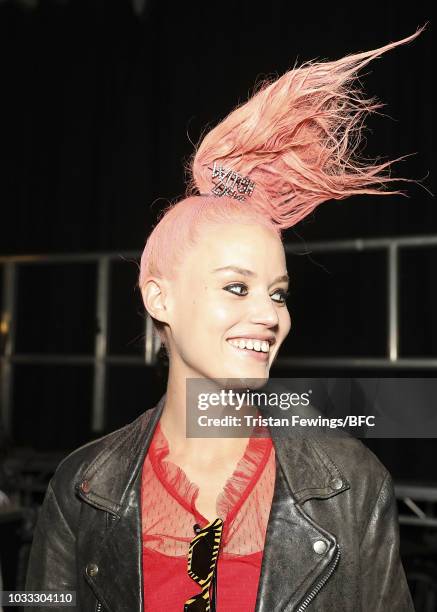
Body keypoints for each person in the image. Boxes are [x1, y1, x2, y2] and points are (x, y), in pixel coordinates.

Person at [25, 27, 426, 611]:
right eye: (236, 287)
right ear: (159, 299)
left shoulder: (352, 485)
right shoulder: (82, 487)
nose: (268, 315)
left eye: (279, 294)